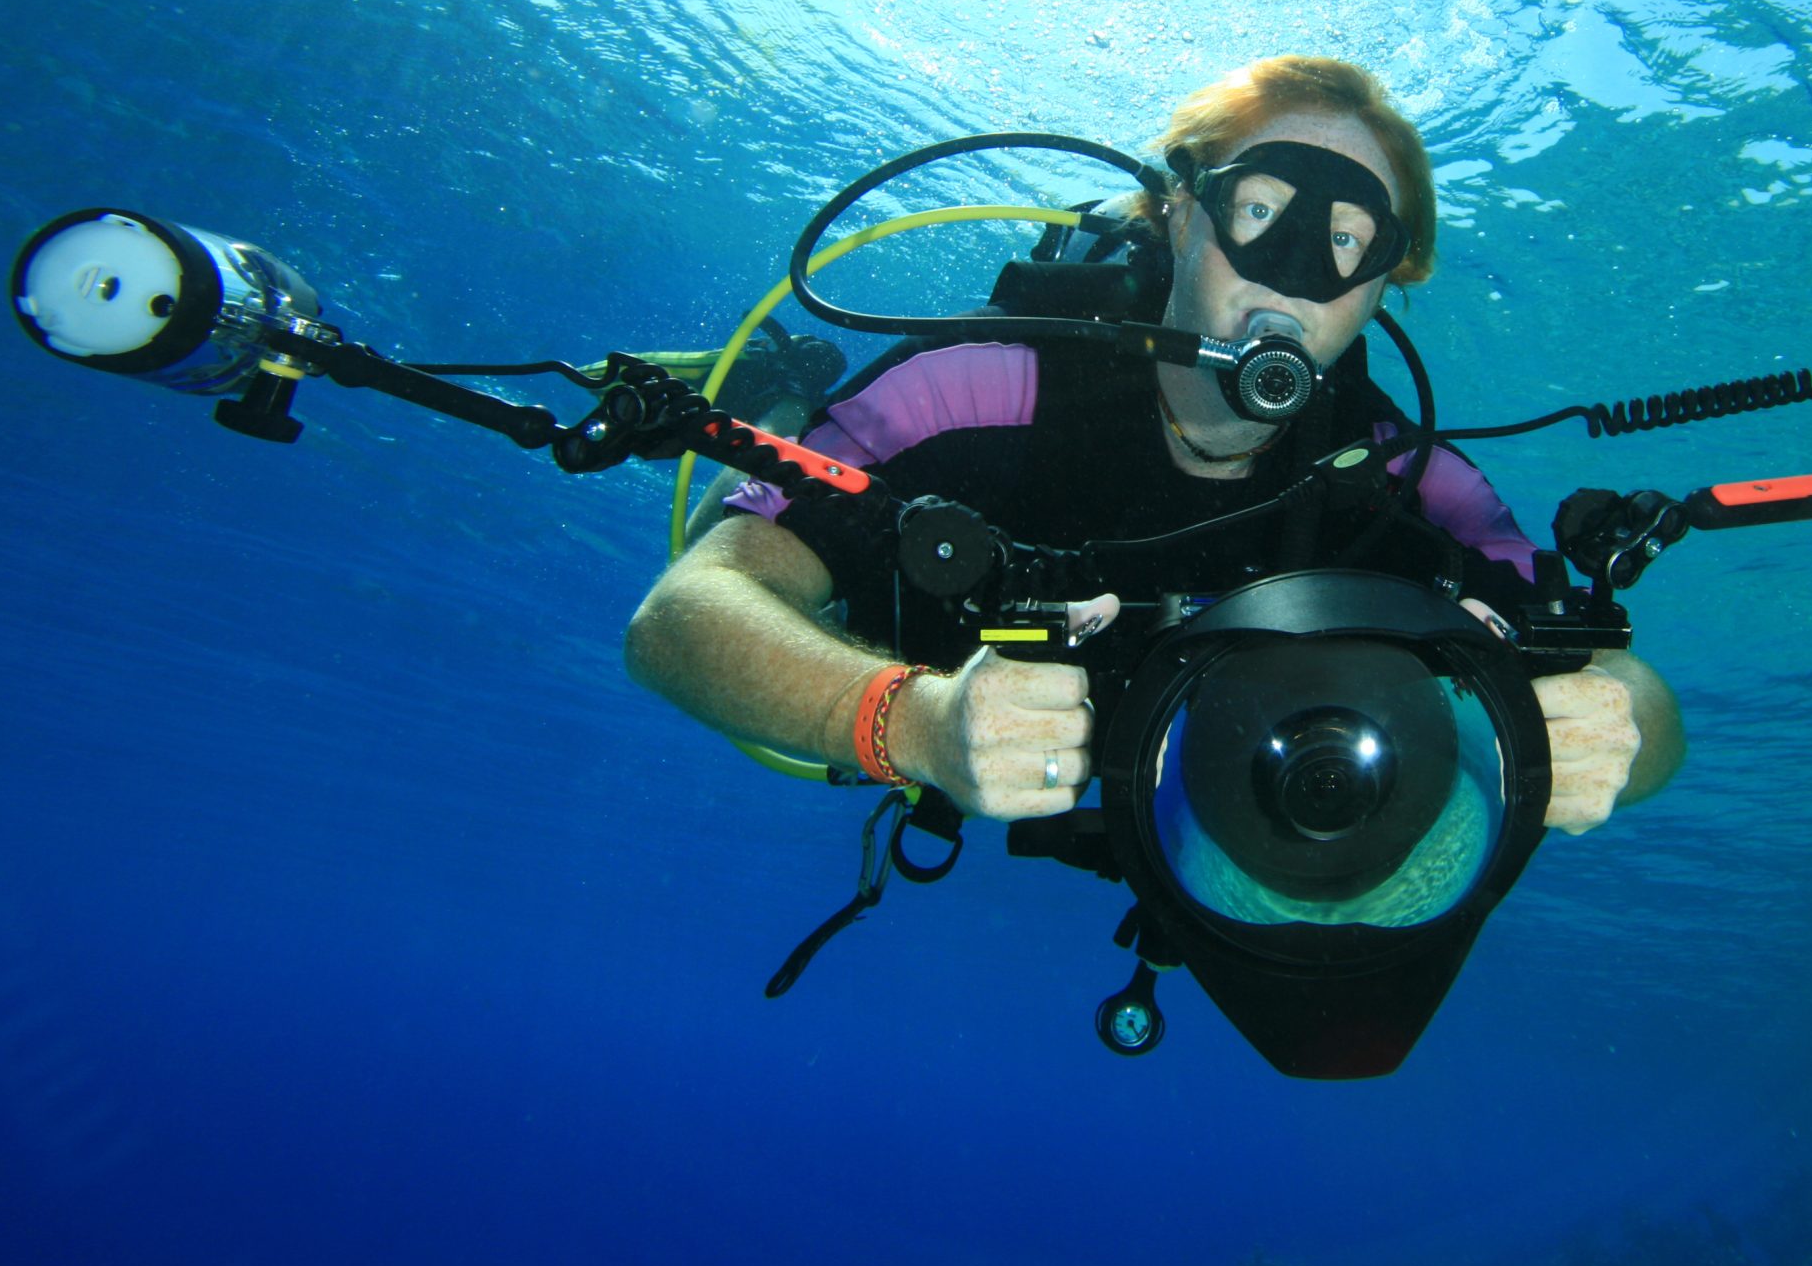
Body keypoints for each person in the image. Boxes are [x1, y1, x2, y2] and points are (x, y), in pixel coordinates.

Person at [625, 56, 1683, 833]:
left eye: (1349, 241)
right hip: (930, 670)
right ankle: (778, 392)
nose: (1293, 274)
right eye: (1261, 210)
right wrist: (917, 726)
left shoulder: (1405, 480)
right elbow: (680, 614)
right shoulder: (982, 389)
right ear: (1179, 216)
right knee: (784, 457)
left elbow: (1627, 689)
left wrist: (1597, 736)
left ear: (1380, 289)